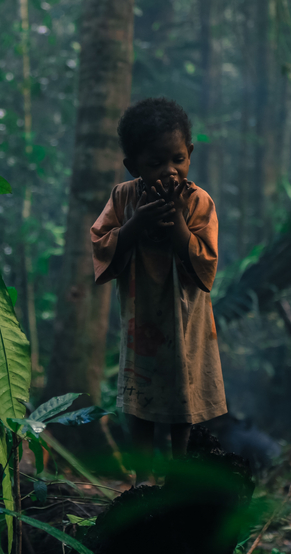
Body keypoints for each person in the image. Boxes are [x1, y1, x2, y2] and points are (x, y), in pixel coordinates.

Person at [91, 97, 228, 484]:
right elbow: (101, 244)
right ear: (132, 165)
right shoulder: (123, 198)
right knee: (141, 399)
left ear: (190, 154)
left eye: (178, 159)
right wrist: (134, 224)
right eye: (155, 163)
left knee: (182, 396)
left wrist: (178, 225)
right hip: (142, 317)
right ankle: (141, 479)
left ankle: (178, 475)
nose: (169, 171)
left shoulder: (198, 201)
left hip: (187, 318)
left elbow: (205, 261)